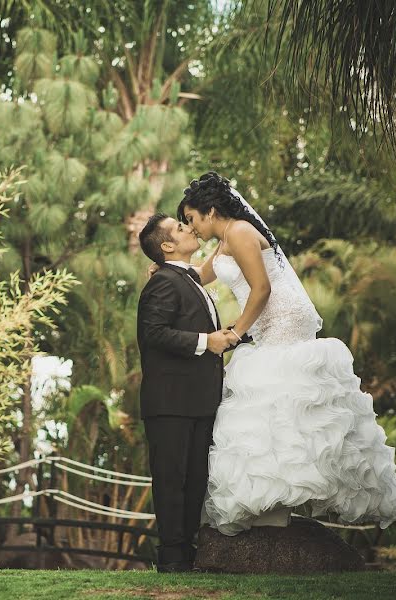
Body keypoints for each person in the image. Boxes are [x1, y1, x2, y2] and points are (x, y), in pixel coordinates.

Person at [173, 171, 396, 535]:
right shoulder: (224, 241)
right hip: (268, 322)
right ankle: (273, 501)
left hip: (283, 317)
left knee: (280, 398)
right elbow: (198, 275)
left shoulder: (239, 232)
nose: (191, 228)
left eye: (191, 219)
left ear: (209, 210)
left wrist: (237, 333)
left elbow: (262, 289)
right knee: (272, 402)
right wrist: (165, 267)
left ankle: (277, 502)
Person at [136, 213, 236, 571]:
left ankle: (188, 554)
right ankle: (172, 559)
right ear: (167, 246)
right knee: (171, 480)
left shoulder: (190, 280)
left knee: (195, 480)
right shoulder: (164, 282)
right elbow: (153, 333)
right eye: (180, 228)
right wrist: (206, 341)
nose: (189, 228)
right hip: (170, 403)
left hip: (199, 401)